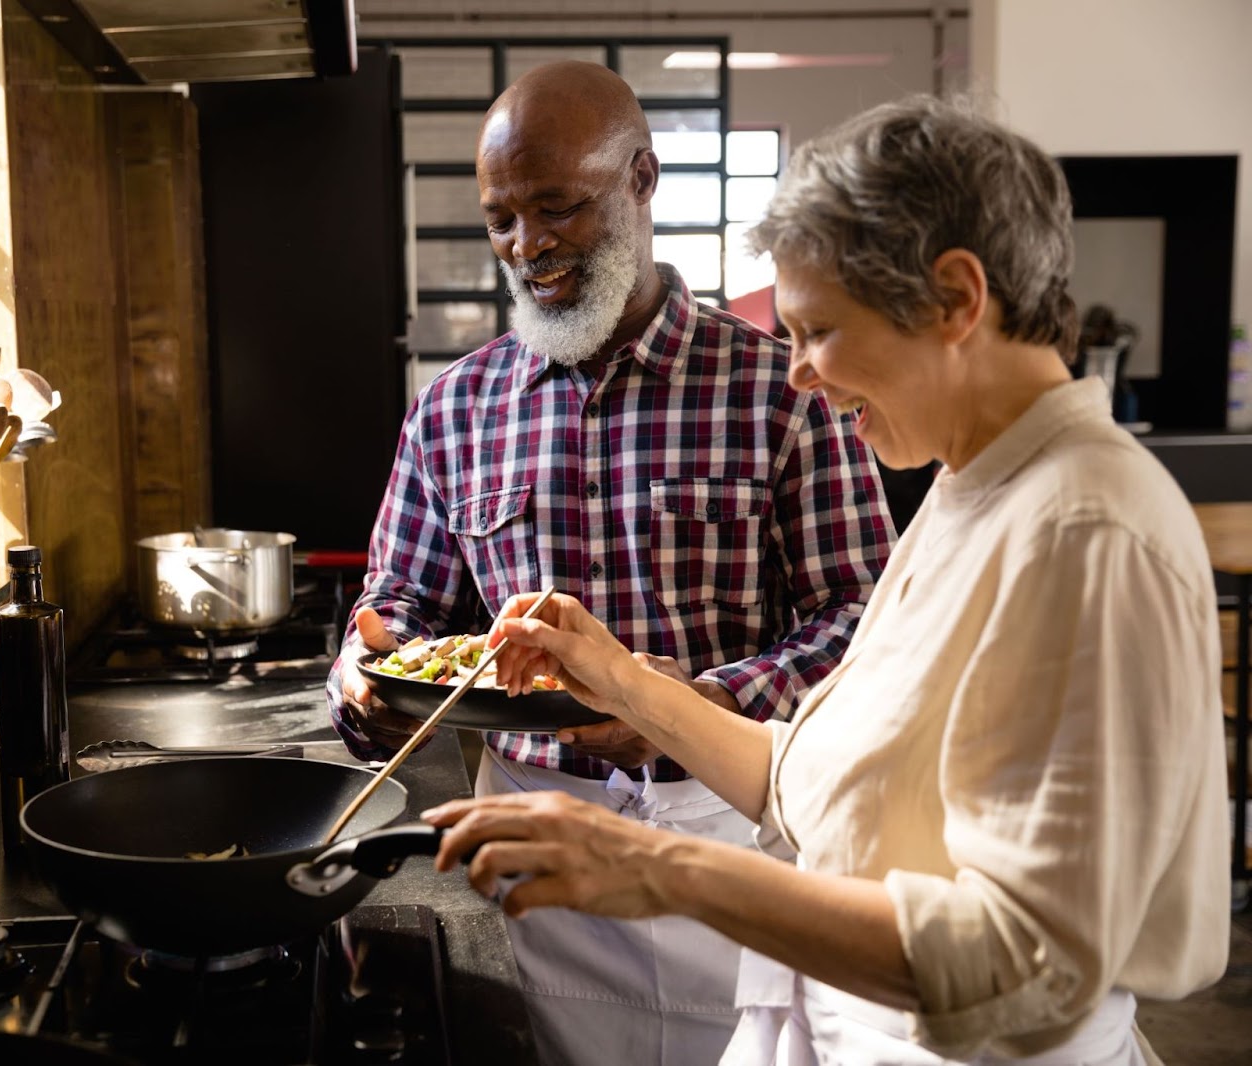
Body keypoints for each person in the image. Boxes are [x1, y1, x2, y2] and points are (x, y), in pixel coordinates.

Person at [423, 94, 1230, 1065]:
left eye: (817, 330)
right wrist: (619, 677)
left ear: (955, 299)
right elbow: (809, 786)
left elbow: (1029, 965)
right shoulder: (976, 478)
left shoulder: (1087, 529)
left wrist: (657, 864)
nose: (798, 373)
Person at [326, 61, 894, 1065]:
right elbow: (398, 601)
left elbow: (864, 620)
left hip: (731, 827)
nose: (525, 244)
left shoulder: (782, 389)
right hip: (535, 843)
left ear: (641, 179)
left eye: (558, 206)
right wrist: (362, 673)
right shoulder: (453, 409)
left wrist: (698, 701)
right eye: (501, 216)